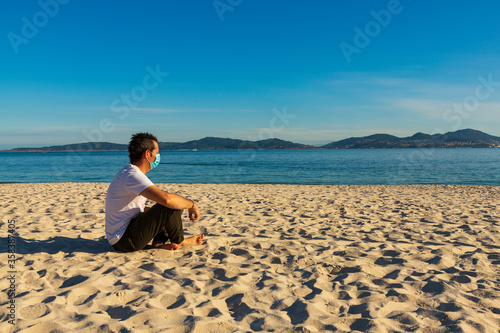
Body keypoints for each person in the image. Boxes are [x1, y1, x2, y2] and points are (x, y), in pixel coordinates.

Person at [105, 132, 204, 252]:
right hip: (124, 240)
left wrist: (157, 215)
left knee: (164, 207)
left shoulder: (128, 173)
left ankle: (158, 244)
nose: (158, 157)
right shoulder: (132, 175)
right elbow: (167, 200)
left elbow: (135, 208)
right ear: (147, 154)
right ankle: (180, 241)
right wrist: (192, 204)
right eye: (156, 153)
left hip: (122, 236)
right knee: (171, 205)